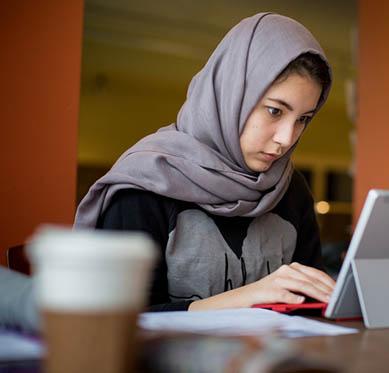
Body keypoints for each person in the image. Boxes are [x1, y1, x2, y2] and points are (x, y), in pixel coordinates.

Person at [74, 13, 336, 312]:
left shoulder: (290, 188)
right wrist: (243, 299)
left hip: (278, 357)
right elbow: (118, 319)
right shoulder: (146, 184)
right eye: (275, 111)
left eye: (303, 119)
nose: (287, 138)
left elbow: (308, 301)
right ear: (231, 95)